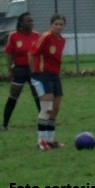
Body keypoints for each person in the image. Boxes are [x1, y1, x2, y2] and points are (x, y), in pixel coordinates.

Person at [29, 14, 67, 151]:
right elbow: (32, 52)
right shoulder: (45, 37)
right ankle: (41, 141)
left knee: (55, 109)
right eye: (56, 24)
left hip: (55, 76)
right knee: (46, 108)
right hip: (42, 75)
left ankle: (51, 140)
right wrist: (34, 72)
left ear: (64, 26)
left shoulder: (62, 40)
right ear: (51, 25)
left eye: (61, 24)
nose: (58, 27)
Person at [0, 12, 40, 131]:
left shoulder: (37, 35)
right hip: (19, 70)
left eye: (32, 21)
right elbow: (9, 54)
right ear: (21, 23)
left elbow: (41, 53)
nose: (31, 23)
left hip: (33, 71)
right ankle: (4, 125)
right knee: (13, 97)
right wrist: (9, 69)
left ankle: (45, 123)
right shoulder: (14, 36)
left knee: (38, 97)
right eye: (28, 21)